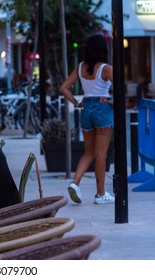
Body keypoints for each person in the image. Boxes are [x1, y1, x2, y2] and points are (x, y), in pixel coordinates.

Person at [60, 33, 115, 204]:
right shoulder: (106, 69)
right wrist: (112, 102)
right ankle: (100, 194)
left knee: (89, 152)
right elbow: (121, 88)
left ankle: (75, 182)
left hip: (86, 109)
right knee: (101, 155)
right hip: (102, 109)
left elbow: (63, 88)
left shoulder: (80, 67)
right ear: (102, 50)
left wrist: (76, 103)